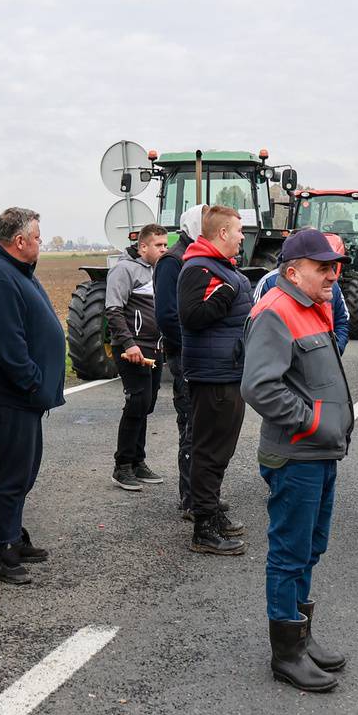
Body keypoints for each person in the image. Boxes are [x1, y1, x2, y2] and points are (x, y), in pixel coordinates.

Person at [243, 229, 356, 692]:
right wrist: (312, 423)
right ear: (293, 271)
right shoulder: (276, 310)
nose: (333, 274)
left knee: (311, 547)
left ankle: (302, 637)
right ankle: (286, 652)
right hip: (297, 453)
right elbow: (259, 387)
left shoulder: (314, 306)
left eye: (335, 266)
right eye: (322, 267)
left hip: (319, 452)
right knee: (290, 553)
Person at [0, 206, 66, 586]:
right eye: (39, 237)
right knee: (12, 473)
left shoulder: (15, 271)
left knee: (25, 470)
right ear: (20, 241)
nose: (42, 242)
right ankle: (1, 551)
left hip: (26, 396)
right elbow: (7, 343)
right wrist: (31, 382)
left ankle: (13, 533)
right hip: (9, 394)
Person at [178, 204, 254, 555]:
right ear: (222, 233)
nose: (242, 237)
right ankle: (204, 529)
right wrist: (227, 292)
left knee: (219, 450)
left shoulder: (218, 266)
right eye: (238, 231)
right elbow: (191, 316)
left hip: (226, 371)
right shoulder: (198, 268)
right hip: (214, 375)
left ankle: (212, 513)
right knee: (209, 452)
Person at [107, 223, 169, 492]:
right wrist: (129, 344)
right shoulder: (124, 269)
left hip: (155, 350)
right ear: (143, 246)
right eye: (159, 245)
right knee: (136, 403)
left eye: (166, 245)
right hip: (132, 350)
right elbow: (113, 310)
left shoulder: (158, 270)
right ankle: (122, 467)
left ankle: (138, 461)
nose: (164, 249)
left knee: (147, 404)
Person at [154, 206, 202, 520]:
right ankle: (190, 498)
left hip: (196, 354)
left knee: (202, 427)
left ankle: (201, 494)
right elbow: (168, 316)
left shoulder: (193, 256)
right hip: (185, 355)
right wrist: (190, 346)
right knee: (190, 426)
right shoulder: (172, 261)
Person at [253, 236, 349, 354]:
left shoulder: (329, 292)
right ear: (293, 274)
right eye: (323, 269)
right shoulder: (269, 309)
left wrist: (334, 353)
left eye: (333, 267)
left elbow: (342, 322)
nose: (333, 277)